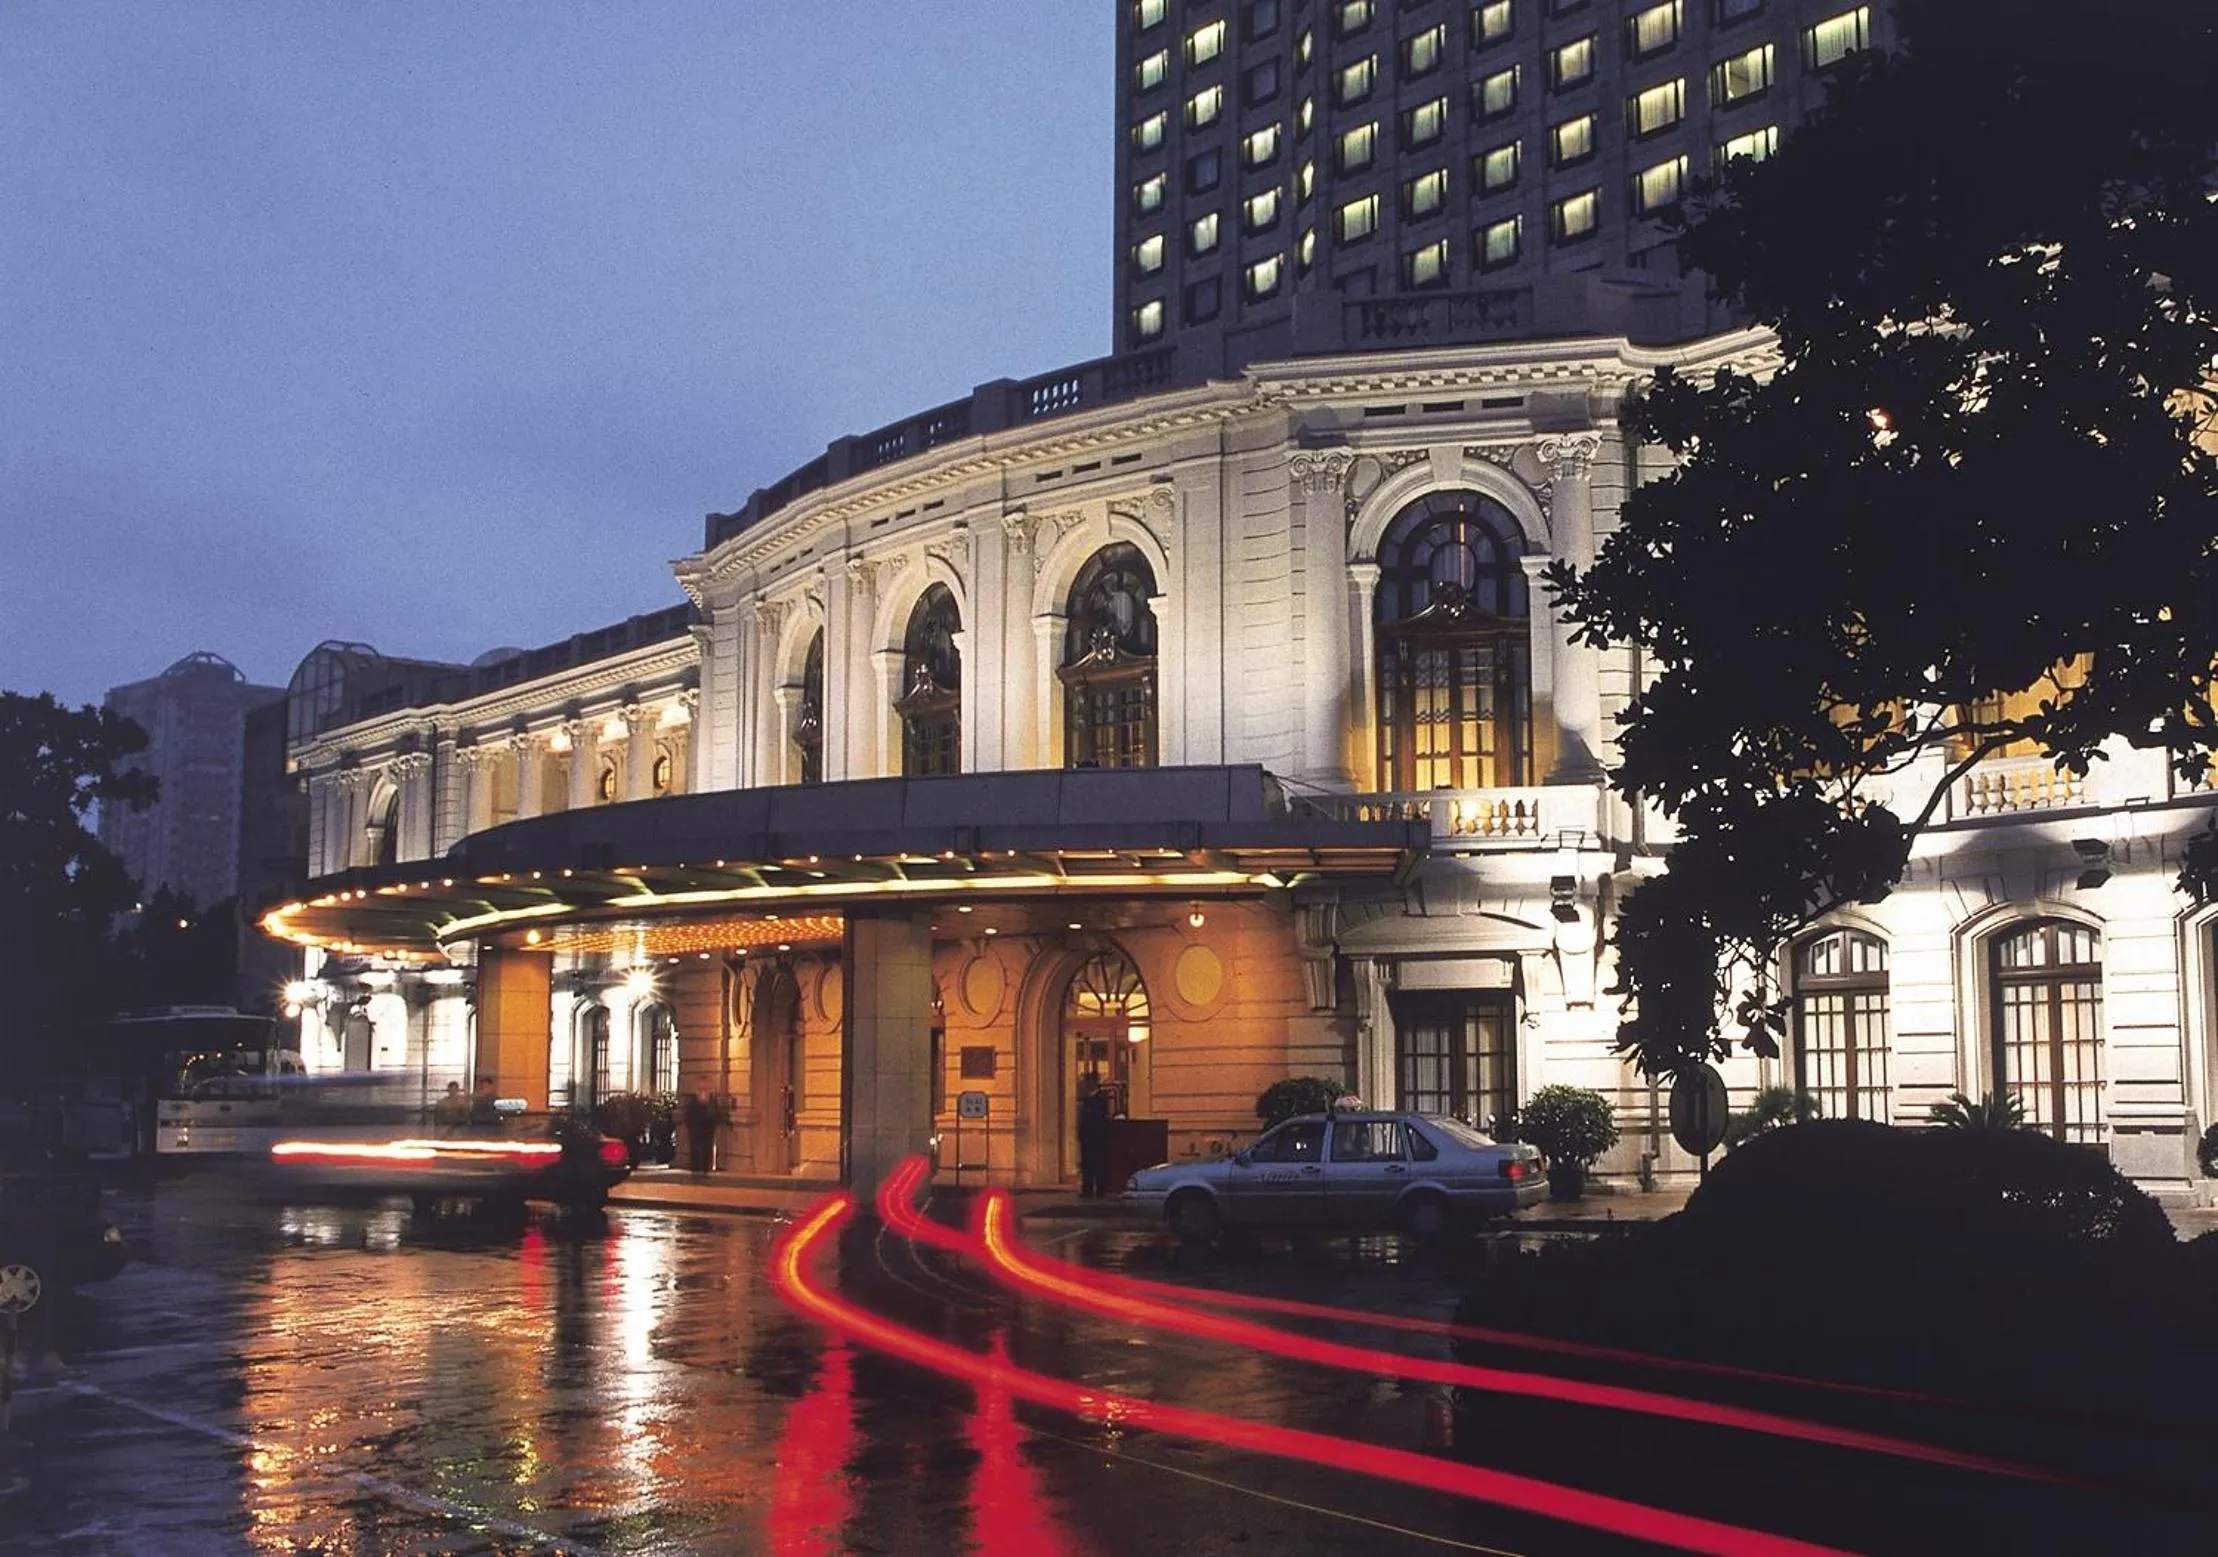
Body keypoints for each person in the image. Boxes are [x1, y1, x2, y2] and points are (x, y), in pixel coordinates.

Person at [1076, 1073, 1111, 1199]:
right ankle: (1087, 1189)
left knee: (1098, 1164)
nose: (1084, 1085)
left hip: (1097, 1137)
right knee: (1087, 1164)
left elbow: (1100, 1119)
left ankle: (1100, 1189)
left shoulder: (1101, 1099)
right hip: (1087, 1138)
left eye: (1086, 1083)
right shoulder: (1086, 1100)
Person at [682, 1091, 717, 1175]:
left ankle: (703, 1167)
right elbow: (688, 1117)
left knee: (704, 1149)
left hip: (705, 1129)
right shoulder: (694, 1103)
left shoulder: (710, 1102)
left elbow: (715, 1115)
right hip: (698, 1129)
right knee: (697, 1149)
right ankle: (698, 1168)